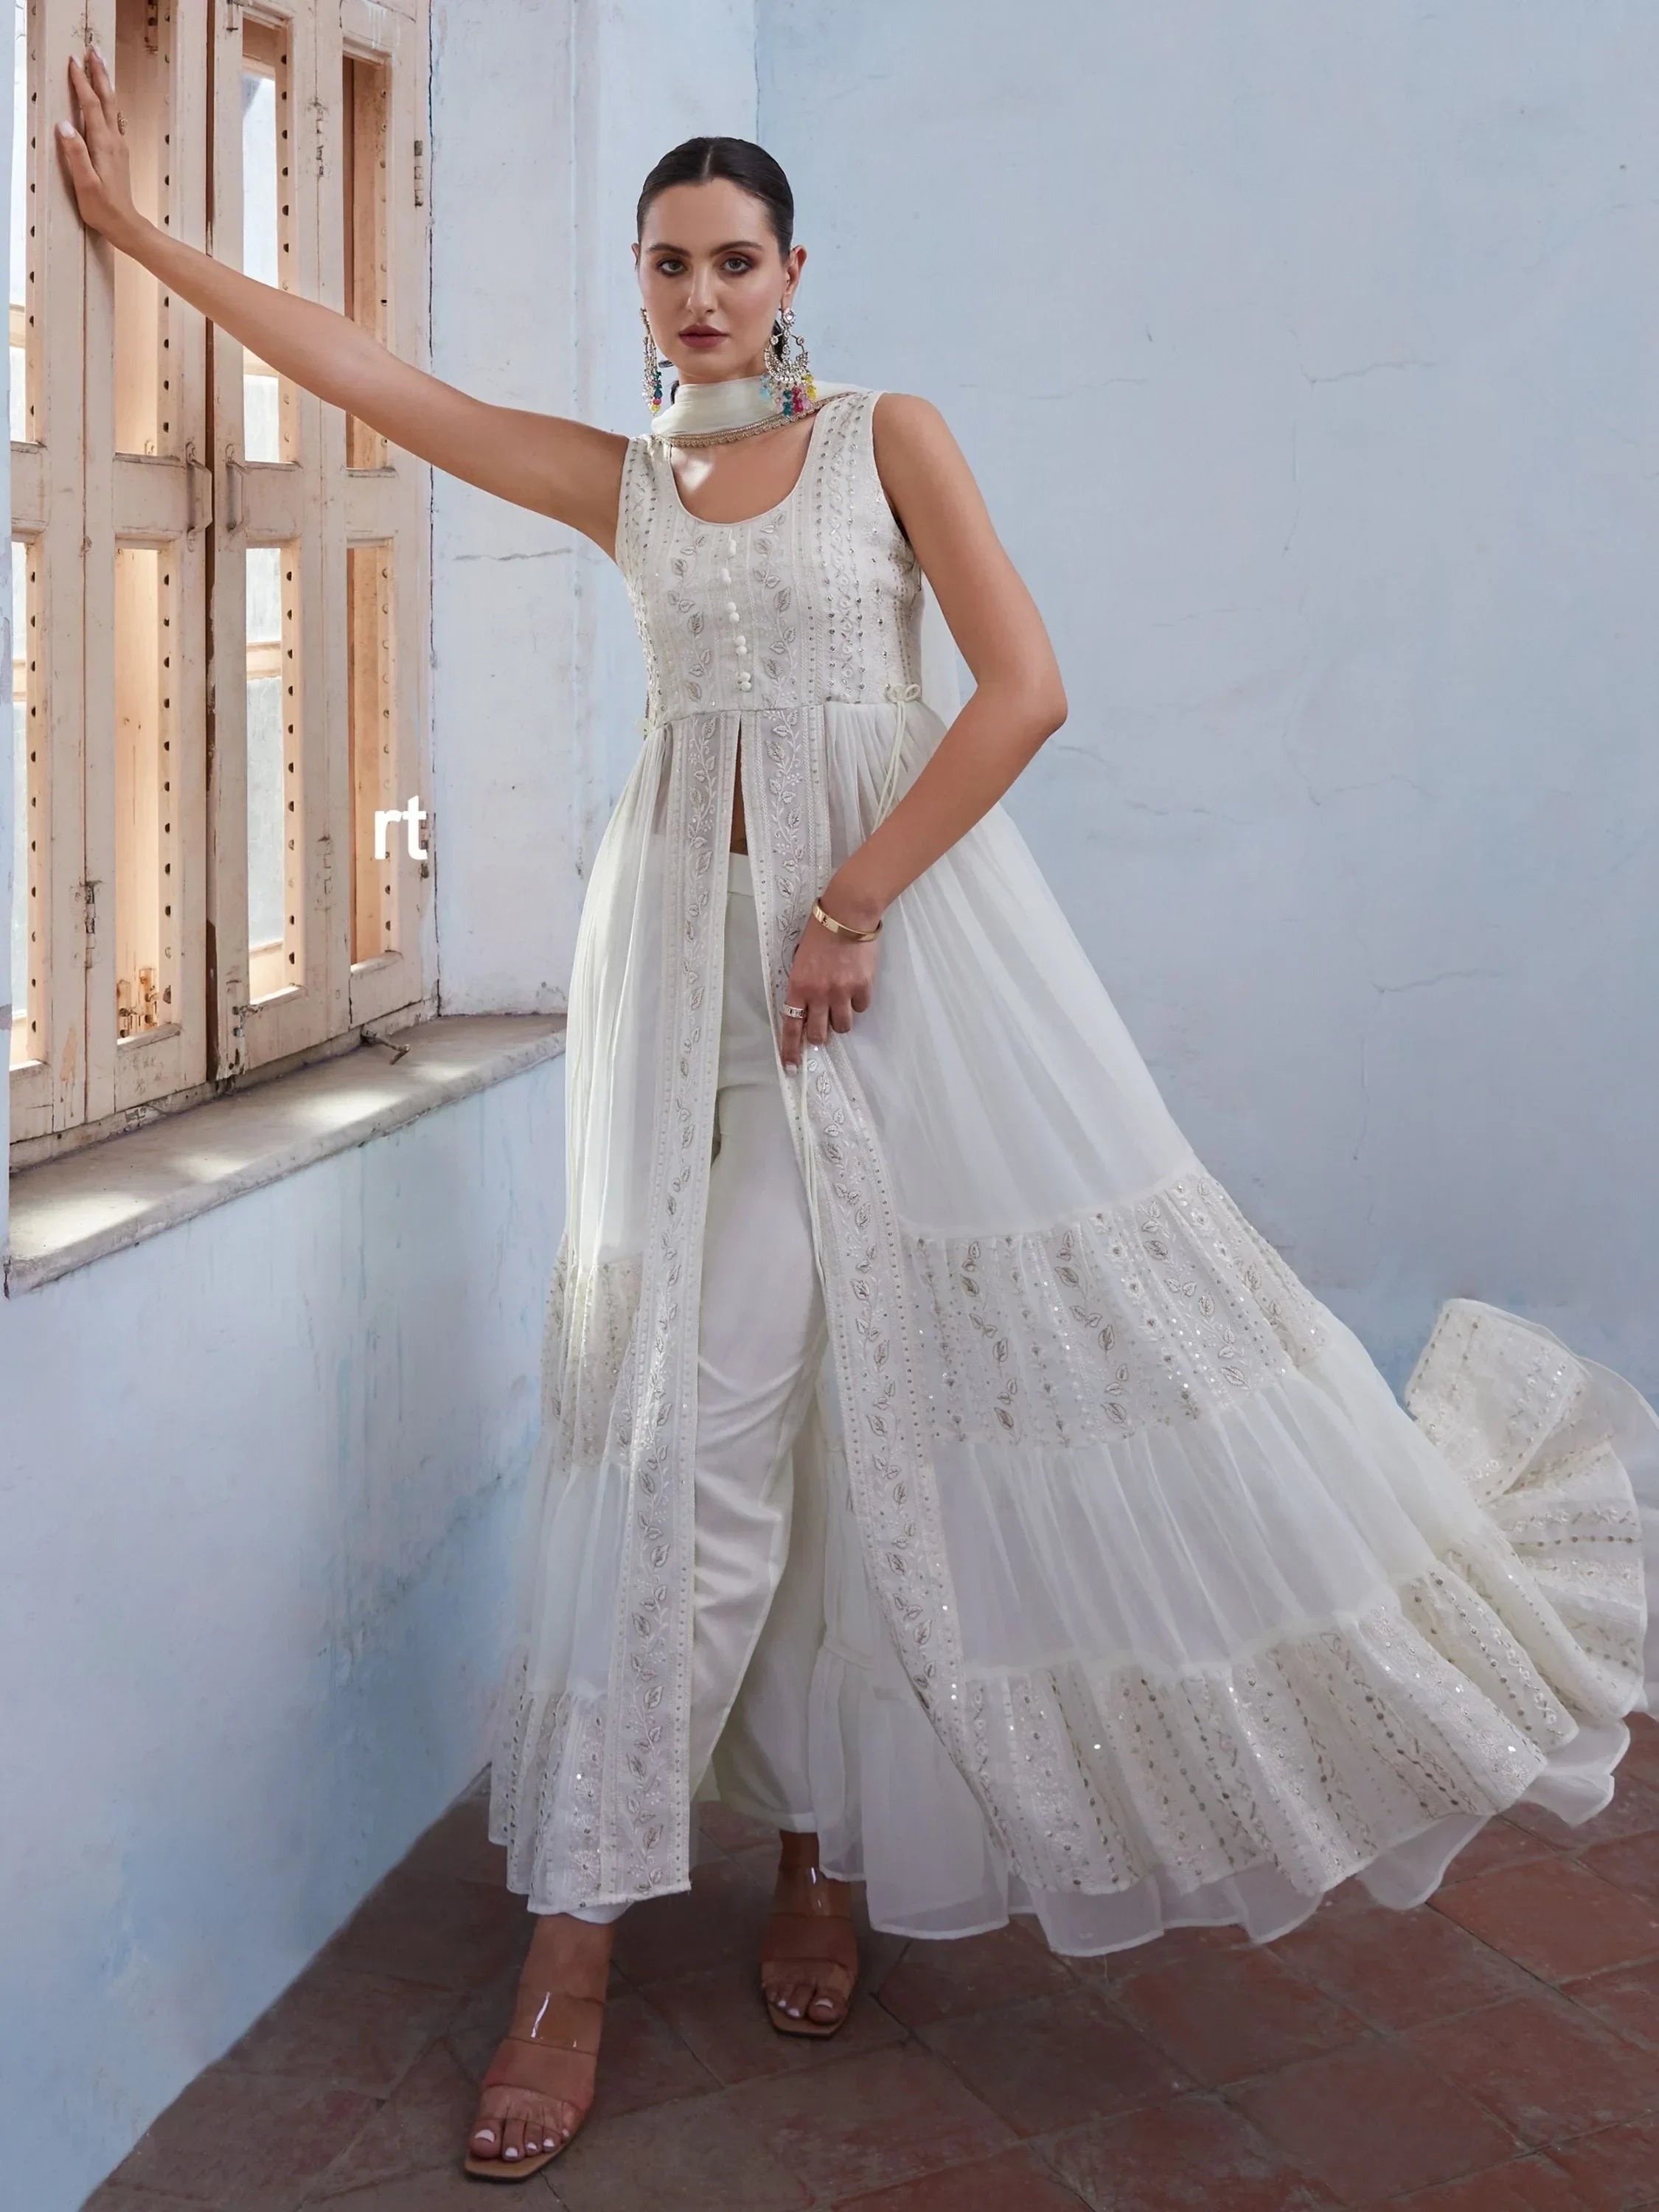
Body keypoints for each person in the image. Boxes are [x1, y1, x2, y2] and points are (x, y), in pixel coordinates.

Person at [59, 53, 1659, 2191]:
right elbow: (382, 381)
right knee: (724, 1422)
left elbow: (1023, 689)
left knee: (810, 1417)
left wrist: (850, 902)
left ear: (793, 271)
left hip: (886, 987)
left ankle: (697, 1901)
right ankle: (701, 1898)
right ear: (636, 288)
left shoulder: (881, 440)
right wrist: (156, 241)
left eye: (733, 262)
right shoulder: (623, 483)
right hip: (680, 997)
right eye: (666, 266)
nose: (700, 296)